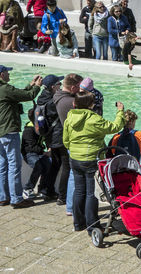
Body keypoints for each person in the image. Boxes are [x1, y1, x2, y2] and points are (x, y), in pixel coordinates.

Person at [63, 94, 125, 233]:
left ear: (75, 103)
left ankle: (78, 224)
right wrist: (120, 111)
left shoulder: (70, 117)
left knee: (79, 190)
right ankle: (92, 226)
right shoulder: (94, 119)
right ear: (91, 105)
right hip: (90, 160)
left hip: (75, 158)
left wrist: (74, 151)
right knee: (92, 193)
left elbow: (66, 140)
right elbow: (115, 127)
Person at [0, 66, 42, 208]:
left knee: (2, 165)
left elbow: (17, 94)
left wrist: (29, 85)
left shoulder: (5, 90)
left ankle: (3, 197)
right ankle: (16, 199)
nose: (8, 73)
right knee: (14, 165)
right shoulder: (5, 89)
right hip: (9, 131)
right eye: (7, 72)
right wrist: (36, 87)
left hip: (0, 132)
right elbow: (28, 96)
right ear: (1, 74)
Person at [51, 73, 83, 206]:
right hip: (72, 140)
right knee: (71, 172)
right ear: (73, 87)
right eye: (79, 86)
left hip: (60, 137)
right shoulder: (70, 102)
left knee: (64, 168)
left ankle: (64, 199)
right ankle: (68, 201)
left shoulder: (57, 95)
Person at [21, 108, 51, 199]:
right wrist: (44, 152)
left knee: (48, 164)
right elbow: (30, 147)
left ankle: (42, 188)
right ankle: (28, 188)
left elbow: (46, 138)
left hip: (39, 152)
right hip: (29, 153)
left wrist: (49, 147)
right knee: (38, 166)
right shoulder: (28, 130)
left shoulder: (41, 126)